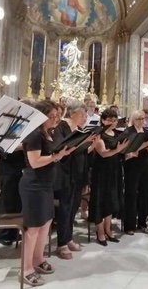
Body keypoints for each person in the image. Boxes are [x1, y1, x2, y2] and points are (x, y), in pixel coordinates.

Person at [19, 100, 75, 286]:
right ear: (41, 116)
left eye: (56, 116)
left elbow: (53, 155)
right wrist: (56, 156)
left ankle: (37, 259)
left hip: (46, 183)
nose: (55, 119)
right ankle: (26, 269)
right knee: (33, 227)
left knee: (46, 224)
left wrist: (65, 152)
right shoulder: (34, 134)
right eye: (51, 116)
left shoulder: (48, 133)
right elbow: (34, 162)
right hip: (33, 183)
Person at [53, 101, 96, 259]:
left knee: (73, 207)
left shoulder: (79, 130)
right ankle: (61, 244)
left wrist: (91, 144)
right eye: (82, 115)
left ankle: (68, 238)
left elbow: (82, 153)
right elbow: (61, 149)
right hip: (65, 173)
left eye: (86, 115)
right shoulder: (61, 128)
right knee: (65, 208)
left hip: (78, 173)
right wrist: (83, 142)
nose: (85, 118)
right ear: (72, 114)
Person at [89, 109, 129, 246]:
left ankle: (108, 229)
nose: (112, 122)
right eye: (109, 120)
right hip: (101, 171)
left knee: (112, 199)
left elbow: (121, 151)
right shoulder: (99, 134)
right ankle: (100, 231)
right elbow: (103, 153)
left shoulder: (118, 133)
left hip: (115, 170)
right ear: (103, 120)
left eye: (114, 120)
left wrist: (127, 151)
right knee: (101, 200)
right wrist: (119, 149)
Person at [123, 110, 148, 235]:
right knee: (131, 195)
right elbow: (128, 149)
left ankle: (142, 223)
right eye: (139, 119)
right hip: (132, 166)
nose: (142, 121)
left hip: (145, 166)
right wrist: (144, 145)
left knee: (145, 195)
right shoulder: (128, 132)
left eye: (143, 119)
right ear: (133, 120)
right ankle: (129, 225)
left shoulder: (147, 132)